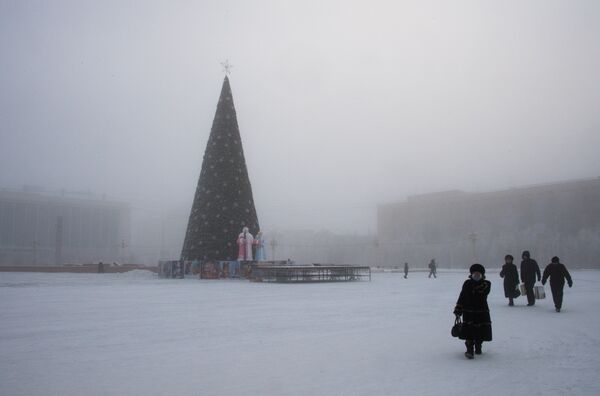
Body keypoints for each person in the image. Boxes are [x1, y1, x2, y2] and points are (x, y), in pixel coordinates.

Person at [453, 264, 492, 359]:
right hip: (468, 311)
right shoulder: (467, 283)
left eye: (479, 274)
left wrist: (476, 286)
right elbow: (462, 296)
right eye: (475, 274)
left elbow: (483, 292)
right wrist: (458, 309)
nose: (477, 276)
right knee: (468, 331)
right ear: (471, 274)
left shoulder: (486, 284)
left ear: (482, 275)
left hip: (481, 311)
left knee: (480, 330)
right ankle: (469, 349)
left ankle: (478, 345)